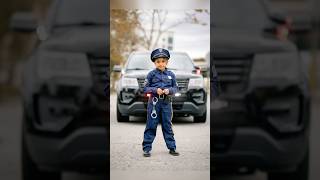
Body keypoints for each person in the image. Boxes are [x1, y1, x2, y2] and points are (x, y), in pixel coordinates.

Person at [142, 48, 179, 157]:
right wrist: (155, 90)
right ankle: (147, 148)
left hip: (166, 103)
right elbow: (144, 88)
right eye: (158, 61)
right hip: (154, 103)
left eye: (163, 61)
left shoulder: (171, 75)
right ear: (154, 62)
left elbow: (176, 88)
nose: (160, 64)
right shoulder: (151, 75)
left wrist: (169, 91)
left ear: (167, 62)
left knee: (167, 125)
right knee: (151, 125)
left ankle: (172, 147)